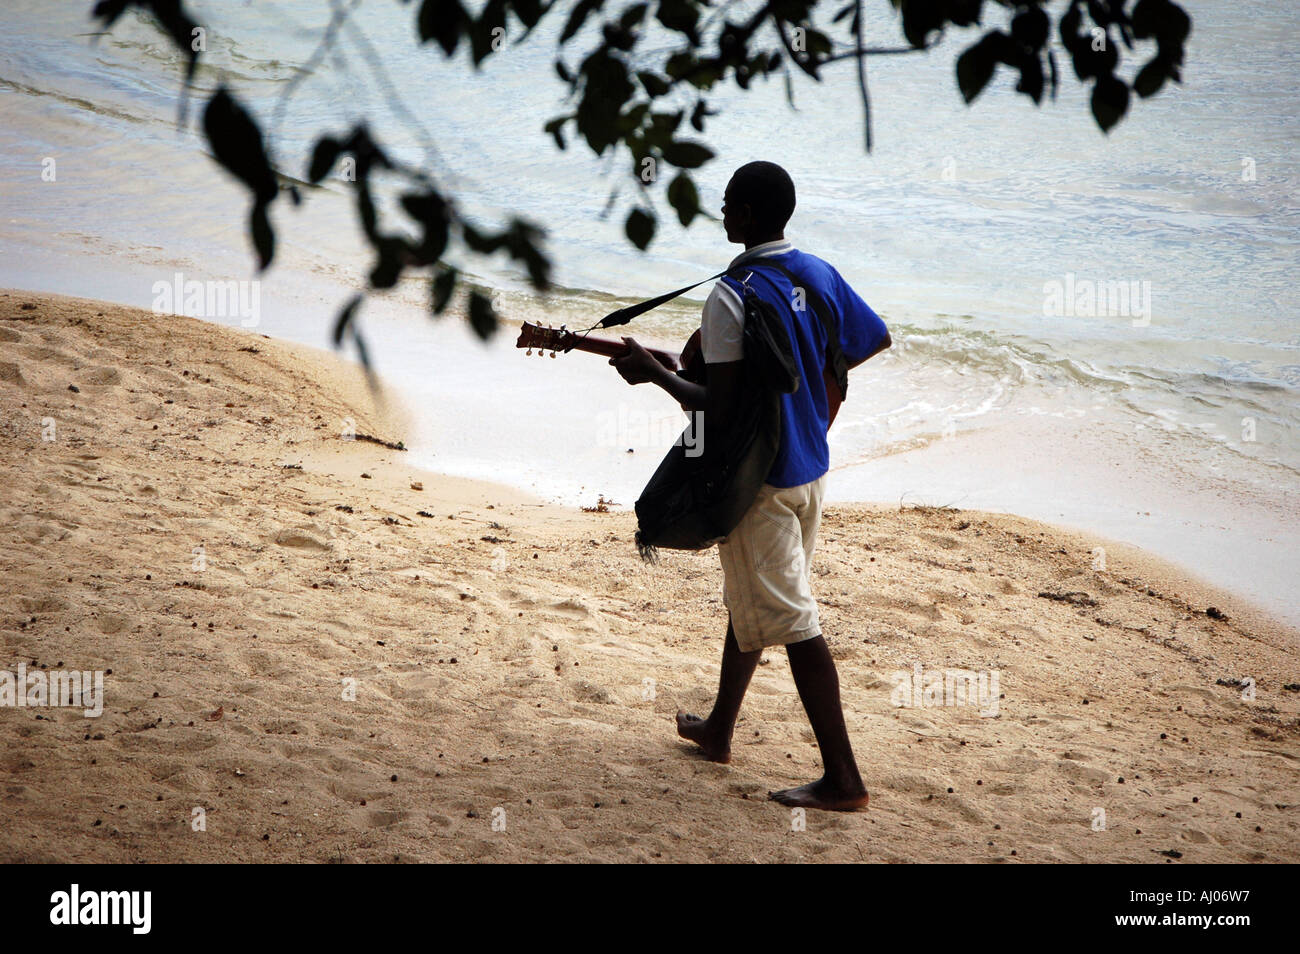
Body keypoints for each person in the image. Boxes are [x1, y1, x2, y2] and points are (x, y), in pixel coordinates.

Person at [610, 160, 891, 811]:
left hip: (758, 484)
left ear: (754, 215)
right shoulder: (817, 272)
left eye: (731, 203)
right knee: (756, 599)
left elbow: (717, 409)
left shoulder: (730, 297)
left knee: (793, 619)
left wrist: (653, 375)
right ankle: (719, 731)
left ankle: (844, 779)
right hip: (811, 470)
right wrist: (817, 400)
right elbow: (867, 339)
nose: (723, 212)